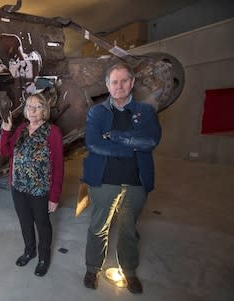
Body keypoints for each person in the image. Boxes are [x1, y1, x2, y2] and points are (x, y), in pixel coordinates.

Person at [82, 62, 161, 294]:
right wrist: (130, 147)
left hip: (136, 182)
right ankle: (92, 268)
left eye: (124, 81)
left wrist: (114, 136)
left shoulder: (145, 111)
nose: (119, 86)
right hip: (104, 180)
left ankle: (129, 271)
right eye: (114, 82)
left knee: (129, 229)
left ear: (132, 82)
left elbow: (150, 141)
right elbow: (94, 144)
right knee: (98, 227)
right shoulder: (97, 112)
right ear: (107, 85)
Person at [0, 93, 64, 277]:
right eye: (29, 106)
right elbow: (5, 151)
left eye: (37, 107)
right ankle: (29, 251)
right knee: (25, 222)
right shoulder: (21, 129)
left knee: (42, 224)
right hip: (18, 187)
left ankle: (44, 257)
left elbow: (58, 166)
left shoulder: (53, 132)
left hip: (40, 189)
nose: (33, 110)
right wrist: (6, 130)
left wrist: (54, 196)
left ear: (44, 110)